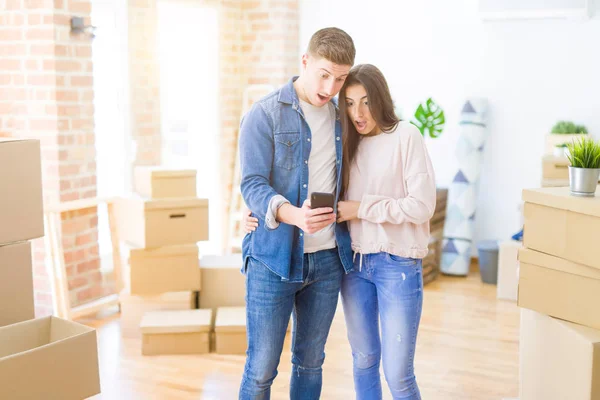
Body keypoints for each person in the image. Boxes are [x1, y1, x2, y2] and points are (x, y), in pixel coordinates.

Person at [244, 64, 436, 400]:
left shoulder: (406, 136)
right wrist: (261, 209)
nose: (358, 112)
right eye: (349, 103)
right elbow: (301, 179)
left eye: (365, 101)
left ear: (382, 99)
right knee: (362, 361)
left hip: (396, 263)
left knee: (398, 375)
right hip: (354, 264)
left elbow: (421, 206)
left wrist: (361, 208)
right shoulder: (346, 139)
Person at [238, 27, 356, 400]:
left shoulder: (342, 119)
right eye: (324, 74)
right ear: (305, 62)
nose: (330, 87)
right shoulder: (265, 114)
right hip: (273, 260)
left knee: (310, 362)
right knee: (260, 370)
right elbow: (252, 184)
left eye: (340, 79)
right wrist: (292, 215)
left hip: (327, 262)